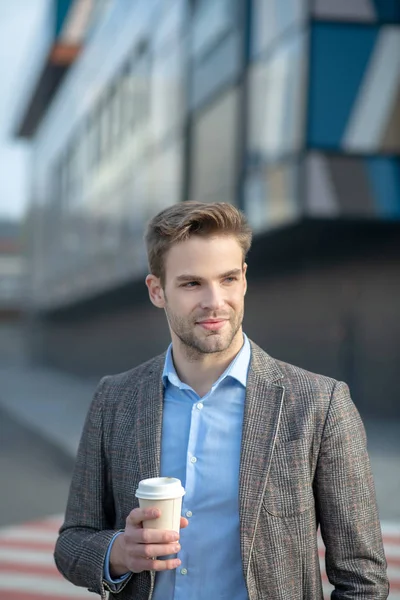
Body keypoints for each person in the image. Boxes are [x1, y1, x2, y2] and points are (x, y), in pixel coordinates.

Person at [54, 201, 389, 599]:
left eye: (227, 279)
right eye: (192, 283)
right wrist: (119, 553)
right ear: (157, 290)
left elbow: (362, 578)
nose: (215, 301)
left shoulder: (321, 404)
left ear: (244, 279)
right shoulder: (114, 400)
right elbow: (72, 542)